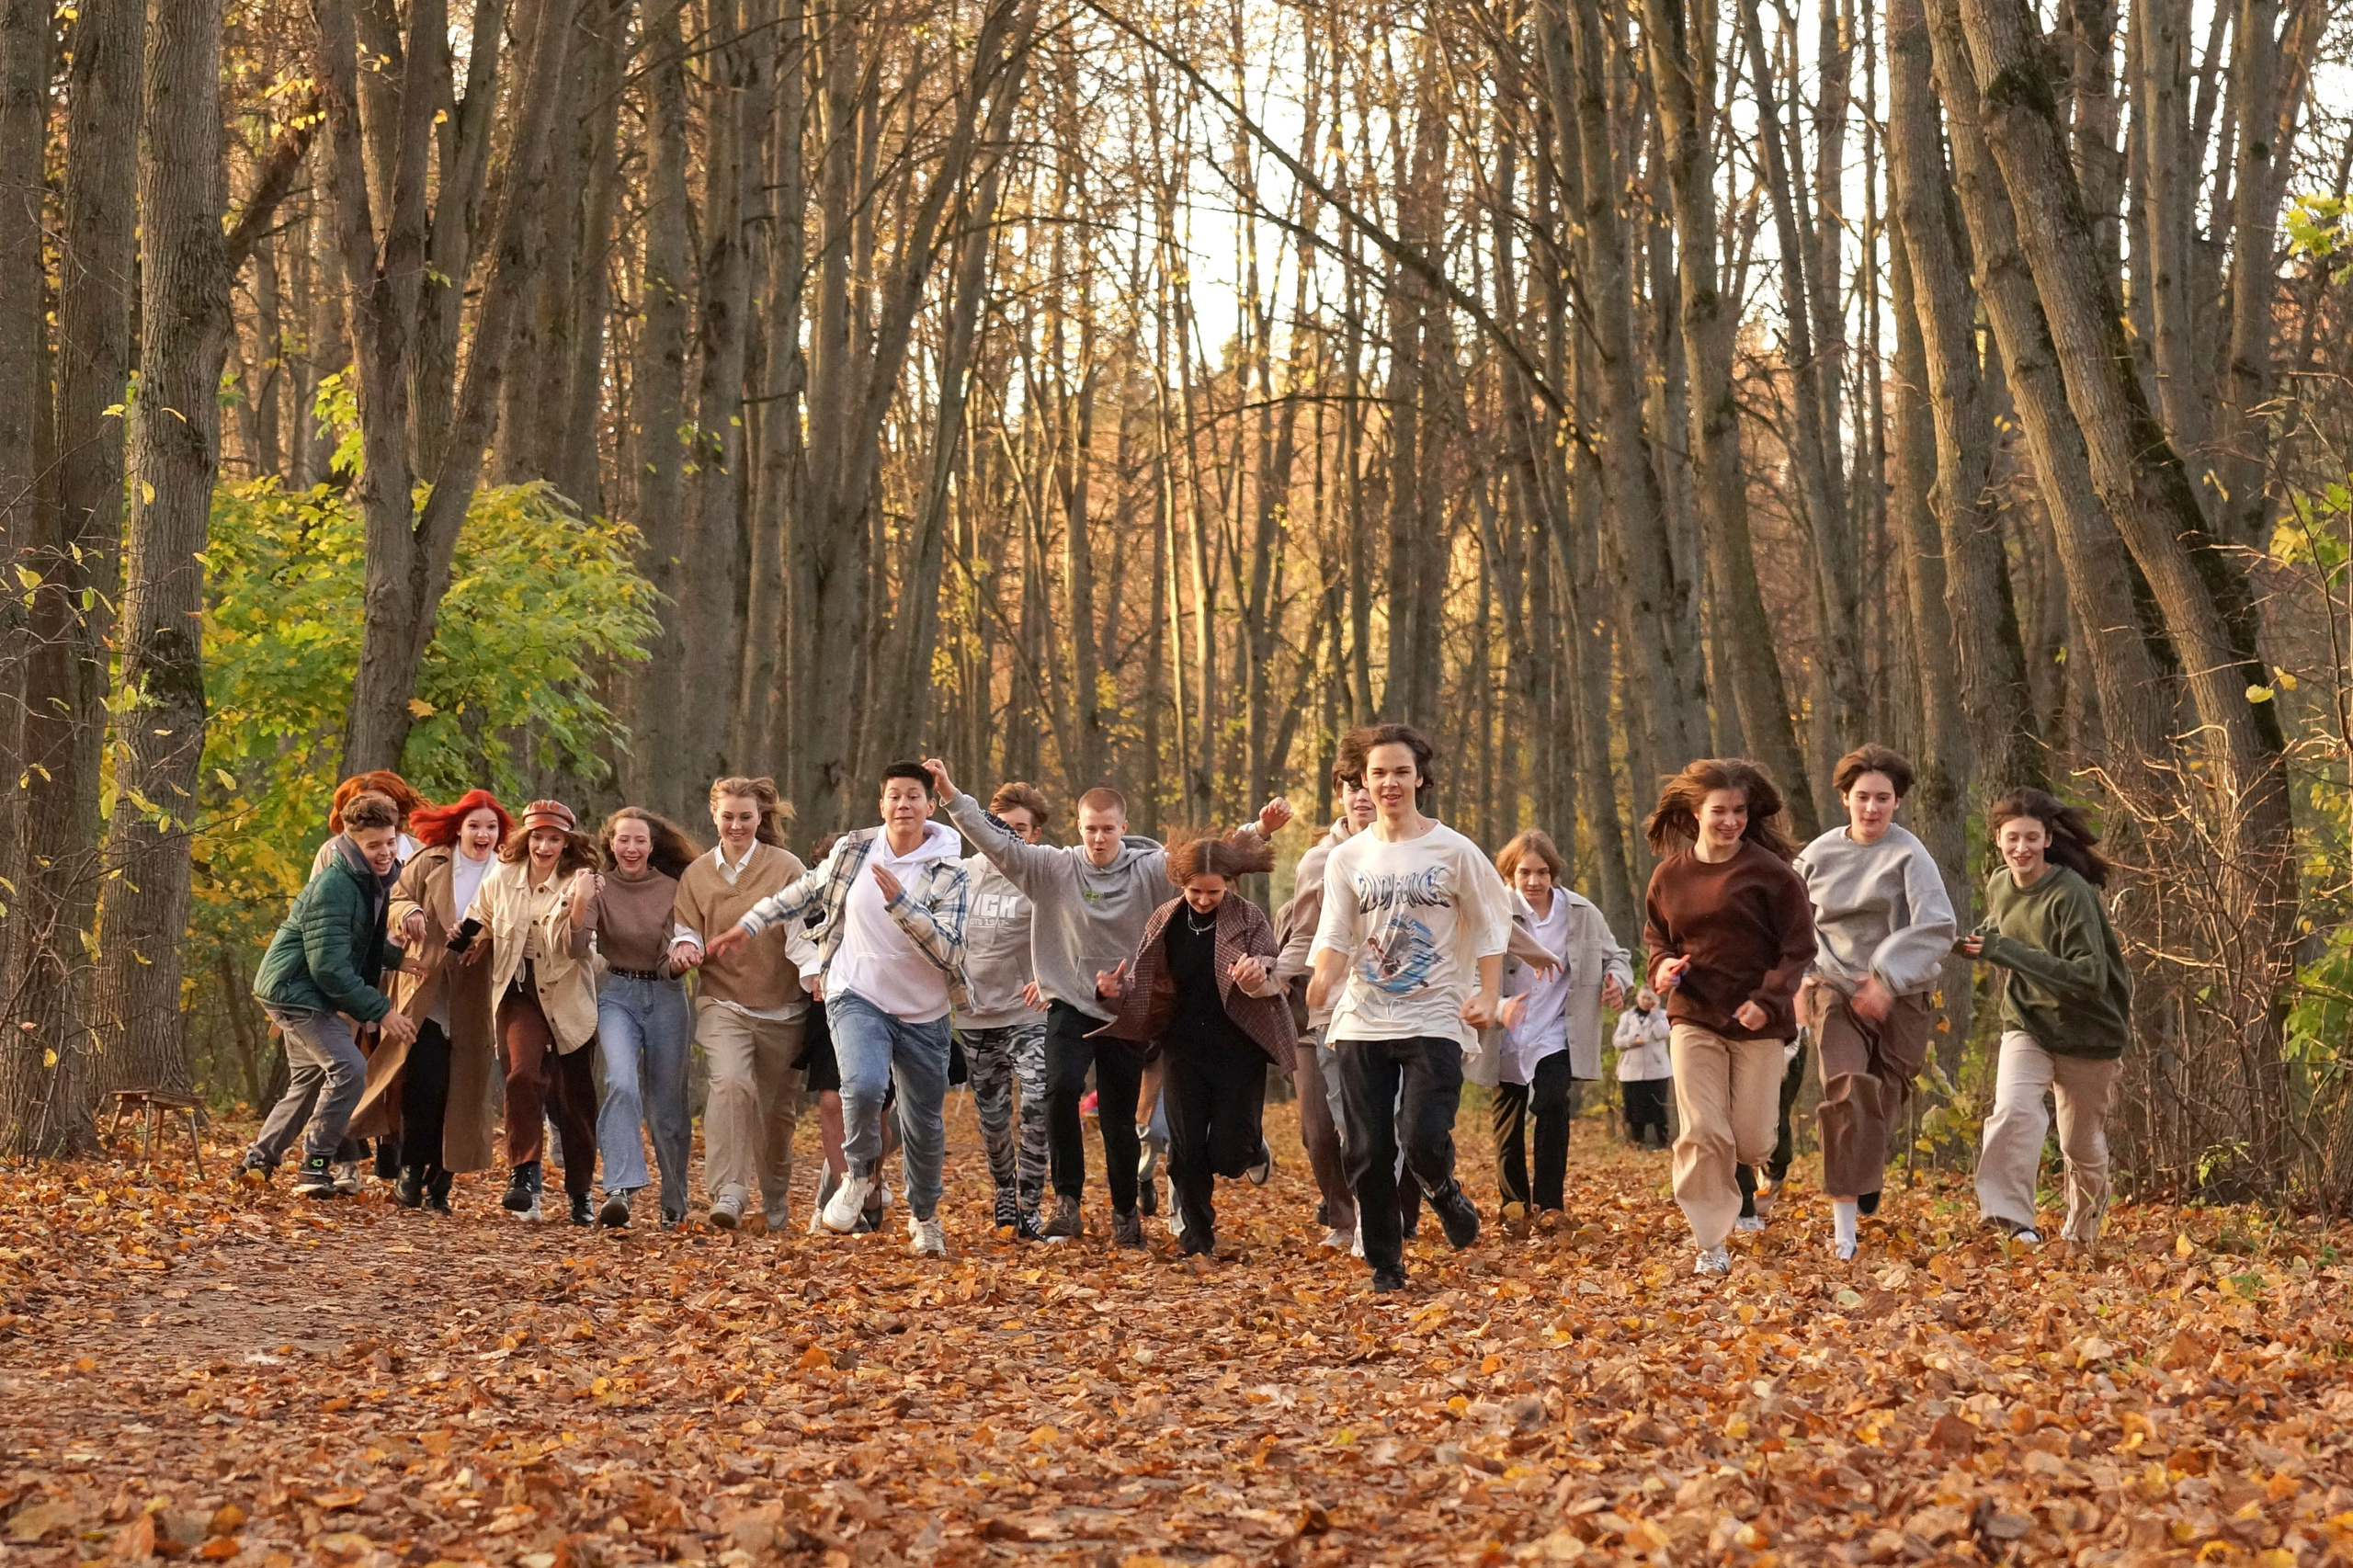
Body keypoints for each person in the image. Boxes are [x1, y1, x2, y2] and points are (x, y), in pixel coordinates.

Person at [926, 755, 1289, 1248]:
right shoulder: (1052, 867)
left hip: (1128, 1011)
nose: (1098, 838)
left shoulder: (1149, 870)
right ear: (1079, 827)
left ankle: (1124, 1213)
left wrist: (1259, 830)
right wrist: (950, 795)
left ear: (1124, 827)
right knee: (1060, 1091)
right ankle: (1068, 1202)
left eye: (1107, 829)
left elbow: (1210, 859)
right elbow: (996, 843)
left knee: (1119, 1116)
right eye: (1090, 829)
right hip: (1070, 1004)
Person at [709, 762, 972, 1257]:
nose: (903, 805)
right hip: (857, 992)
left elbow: (952, 951)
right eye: (894, 796)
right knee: (863, 1085)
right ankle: (856, 1179)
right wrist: (748, 925)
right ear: (882, 805)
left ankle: (925, 1217)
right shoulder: (854, 850)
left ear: (930, 807)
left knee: (923, 1124)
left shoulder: (950, 870)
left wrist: (903, 906)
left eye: (914, 796)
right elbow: (802, 892)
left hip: (924, 1010)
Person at [1305, 723, 1510, 1292]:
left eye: (1400, 772)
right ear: (1362, 783)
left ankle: (1443, 1191)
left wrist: (1489, 995)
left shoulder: (1455, 850)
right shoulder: (1347, 858)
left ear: (1420, 777)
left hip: (1436, 1013)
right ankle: (1385, 1263)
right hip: (1362, 1017)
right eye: (1377, 774)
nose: (1389, 783)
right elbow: (1335, 934)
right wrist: (1322, 980)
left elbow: (1493, 927)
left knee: (1420, 1137)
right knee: (1367, 1149)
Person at [1642, 758, 1816, 1278]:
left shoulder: (1771, 874)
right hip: (1693, 1014)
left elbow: (1799, 947)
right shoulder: (1670, 875)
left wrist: (1767, 1000)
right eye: (1720, 811)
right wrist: (1662, 968)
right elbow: (1657, 938)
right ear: (1696, 812)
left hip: (1758, 1021)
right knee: (1701, 1130)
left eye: (1739, 811)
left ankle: (1759, 1165)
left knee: (1753, 1138)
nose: (1731, 821)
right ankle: (1710, 1242)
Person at [1792, 744, 1958, 1259]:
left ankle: (1868, 1168)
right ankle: (1844, 1235)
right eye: (1862, 797)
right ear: (1844, 798)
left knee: (1886, 1094)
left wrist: (1886, 978)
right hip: (1834, 986)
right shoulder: (1816, 856)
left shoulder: (1911, 855)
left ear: (1896, 803)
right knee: (1844, 1089)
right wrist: (1798, 980)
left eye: (1882, 799)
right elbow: (1790, 924)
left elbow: (1938, 926)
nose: (1871, 809)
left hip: (1903, 991)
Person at [1096, 832, 1294, 1258]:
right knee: (1184, 1151)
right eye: (1195, 892)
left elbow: (1273, 965)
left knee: (1228, 1152)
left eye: (1213, 892)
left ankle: (1252, 1148)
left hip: (1239, 1048)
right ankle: (1196, 1239)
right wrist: (1114, 992)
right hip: (1182, 1047)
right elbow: (1145, 983)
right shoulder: (1165, 919)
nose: (1203, 900)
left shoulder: (1248, 918)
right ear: (1181, 885)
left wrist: (1258, 973)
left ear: (1229, 884)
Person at [1960, 789, 2131, 1257]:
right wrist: (1979, 941)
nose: (2021, 848)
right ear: (1998, 839)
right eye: (2012, 838)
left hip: (2088, 1032)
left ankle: (2081, 1233)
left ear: (2048, 839)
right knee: (2013, 1110)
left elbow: (2088, 978)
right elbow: (2005, 930)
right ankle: (2014, 1222)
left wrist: (2003, 950)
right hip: (2027, 1021)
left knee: (2081, 1148)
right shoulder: (2000, 884)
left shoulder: (2071, 893)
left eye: (2031, 838)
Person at [240, 792, 419, 1197]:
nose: (385, 852)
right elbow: (329, 967)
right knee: (350, 1069)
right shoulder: (336, 884)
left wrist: (396, 959)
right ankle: (316, 1165)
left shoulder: (370, 880)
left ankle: (256, 1163)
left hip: (306, 989)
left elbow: (357, 940)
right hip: (296, 991)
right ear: (352, 841)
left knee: (307, 1081)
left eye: (390, 842)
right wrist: (382, 1011)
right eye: (374, 845)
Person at [669, 778, 817, 1232]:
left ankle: (774, 1200)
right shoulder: (696, 875)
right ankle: (728, 1192)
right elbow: (686, 927)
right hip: (723, 1000)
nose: (736, 825)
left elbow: (801, 932)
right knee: (730, 1083)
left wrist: (812, 972)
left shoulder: (786, 867)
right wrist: (686, 948)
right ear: (714, 815)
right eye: (728, 816)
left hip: (784, 1008)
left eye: (745, 816)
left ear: (760, 818)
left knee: (776, 1117)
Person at [354, 788, 511, 1212]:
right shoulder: (431, 861)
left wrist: (488, 936)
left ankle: (442, 1179)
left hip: (479, 996)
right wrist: (409, 914)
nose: (483, 834)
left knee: (465, 1091)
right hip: (426, 989)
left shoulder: (508, 872)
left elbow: (517, 922)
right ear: (458, 828)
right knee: (424, 1084)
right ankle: (409, 1170)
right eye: (475, 825)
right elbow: (396, 896)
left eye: (491, 827)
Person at [465, 800, 603, 1225]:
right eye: (538, 837)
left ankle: (580, 1193)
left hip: (565, 995)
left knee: (573, 1098)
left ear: (567, 843)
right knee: (523, 1074)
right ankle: (523, 1176)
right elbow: (479, 918)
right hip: (518, 989)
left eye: (554, 839)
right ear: (526, 838)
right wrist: (457, 946)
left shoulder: (580, 881)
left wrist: (579, 902)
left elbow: (578, 948)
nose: (545, 846)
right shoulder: (502, 876)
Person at [1484, 830, 1631, 1224]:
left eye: (1542, 872)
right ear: (1510, 874)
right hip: (1506, 1029)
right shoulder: (1493, 909)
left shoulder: (1580, 912)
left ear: (1554, 874)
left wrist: (1618, 979)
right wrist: (1497, 1007)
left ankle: (1551, 1206)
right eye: (1524, 873)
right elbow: (1467, 965)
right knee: (1508, 1122)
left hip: (1556, 1029)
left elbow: (1617, 955)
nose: (1533, 882)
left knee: (1552, 1102)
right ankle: (1513, 1207)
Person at [577, 808, 702, 1229]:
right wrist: (580, 900)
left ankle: (674, 1198)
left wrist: (681, 962)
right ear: (610, 844)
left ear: (652, 846)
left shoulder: (673, 888)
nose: (631, 848)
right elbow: (577, 946)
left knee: (667, 1105)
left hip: (667, 995)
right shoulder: (598, 886)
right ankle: (619, 1189)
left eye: (640, 841)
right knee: (621, 1081)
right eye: (623, 840)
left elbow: (672, 956)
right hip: (616, 993)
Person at [306, 768, 427, 1191]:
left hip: (400, 966)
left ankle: (394, 1158)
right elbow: (319, 915)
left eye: (385, 805)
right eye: (364, 804)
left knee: (392, 1061)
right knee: (345, 1060)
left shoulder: (416, 852)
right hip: (350, 969)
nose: (375, 812)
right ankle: (343, 1161)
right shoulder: (332, 853)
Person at [1271, 769, 1377, 1249]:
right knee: (1318, 1130)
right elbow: (1302, 934)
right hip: (1313, 1010)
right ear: (1341, 794)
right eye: (1351, 787)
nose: (1362, 796)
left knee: (1375, 1124)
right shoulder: (1319, 860)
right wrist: (1271, 975)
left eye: (1368, 785)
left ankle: (1380, 1216)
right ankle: (1342, 1214)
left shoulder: (1411, 851)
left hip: (1379, 1008)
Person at [953, 782, 1054, 1238]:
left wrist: (1049, 979)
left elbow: (1071, 935)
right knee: (992, 1118)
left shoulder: (1043, 876)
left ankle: (1031, 1201)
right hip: (974, 1016)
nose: (1008, 836)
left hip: (1028, 1014)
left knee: (1038, 1102)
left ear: (1033, 835)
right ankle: (1003, 1190)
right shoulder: (960, 873)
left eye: (1019, 829)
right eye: (1000, 827)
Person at [1613, 988, 1673, 1148]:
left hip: (1656, 1070)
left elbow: (1663, 1034)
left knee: (1658, 1108)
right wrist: (1632, 1040)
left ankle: (1662, 1142)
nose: (1646, 1001)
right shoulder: (1627, 1017)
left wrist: (1654, 1016)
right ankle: (1637, 1142)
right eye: (1644, 998)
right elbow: (1617, 1040)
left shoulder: (1662, 1016)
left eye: (1650, 998)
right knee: (1634, 1108)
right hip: (1631, 1070)